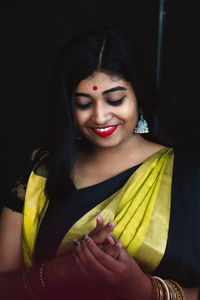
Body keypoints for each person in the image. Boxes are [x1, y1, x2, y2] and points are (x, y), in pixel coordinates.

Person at [0, 27, 199, 300]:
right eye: (83, 103)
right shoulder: (40, 173)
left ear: (139, 95)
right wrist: (61, 272)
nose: (101, 116)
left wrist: (147, 290)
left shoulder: (189, 178)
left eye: (115, 99)